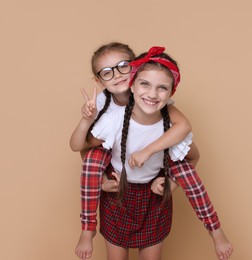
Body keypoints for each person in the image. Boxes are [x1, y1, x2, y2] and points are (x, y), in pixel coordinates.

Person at [76, 46, 233, 260]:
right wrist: (102, 179)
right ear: (132, 85)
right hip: (118, 194)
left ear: (170, 94)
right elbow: (82, 147)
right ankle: (87, 228)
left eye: (161, 88)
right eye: (145, 84)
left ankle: (215, 230)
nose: (152, 94)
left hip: (152, 197)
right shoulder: (113, 118)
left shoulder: (171, 122)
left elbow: (193, 157)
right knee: (94, 159)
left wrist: (169, 178)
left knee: (183, 168)